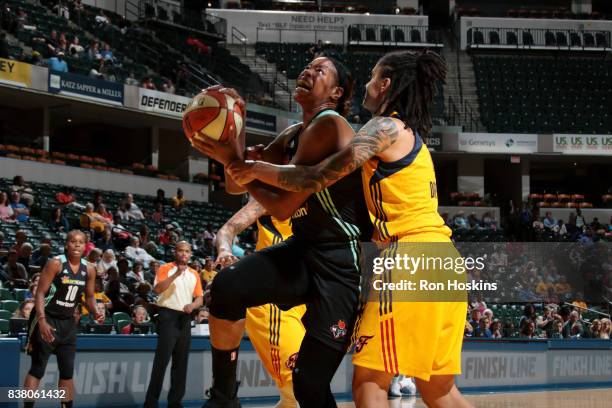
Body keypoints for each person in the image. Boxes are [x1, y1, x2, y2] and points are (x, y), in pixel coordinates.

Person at [227, 50, 472, 407]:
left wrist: (254, 169)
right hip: (445, 263)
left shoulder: (383, 127)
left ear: (385, 84)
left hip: (410, 258)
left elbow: (315, 176)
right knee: (438, 388)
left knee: (369, 382)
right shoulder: (412, 139)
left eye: (373, 78)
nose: (367, 87)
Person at [192, 57, 371, 407]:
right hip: (304, 250)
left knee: (307, 386)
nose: (307, 71)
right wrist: (233, 140)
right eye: (307, 66)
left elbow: (283, 207)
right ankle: (224, 398)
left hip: (343, 265)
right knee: (227, 287)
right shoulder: (292, 134)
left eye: (319, 70)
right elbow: (233, 184)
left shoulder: (330, 125)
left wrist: (242, 165)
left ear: (336, 92)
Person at [212, 195, 307, 407]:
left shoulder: (318, 189)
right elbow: (226, 231)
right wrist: (225, 250)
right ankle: (222, 397)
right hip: (273, 300)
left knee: (295, 395)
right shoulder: (270, 195)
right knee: (300, 386)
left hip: (306, 296)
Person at [23, 230, 103, 408]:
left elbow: (89, 296)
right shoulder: (56, 264)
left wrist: (96, 311)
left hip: (68, 323)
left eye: (81, 242)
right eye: (73, 241)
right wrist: (42, 320)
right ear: (67, 244)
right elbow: (40, 293)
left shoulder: (89, 269)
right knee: (37, 369)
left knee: (67, 373)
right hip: (46, 318)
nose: (76, 245)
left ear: (85, 246)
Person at [144, 241, 203, 408]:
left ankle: (175, 402)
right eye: (181, 251)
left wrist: (193, 305)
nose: (184, 254)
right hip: (167, 316)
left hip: (185, 317)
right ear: (175, 252)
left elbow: (199, 297)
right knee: (161, 362)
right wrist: (176, 274)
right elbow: (157, 290)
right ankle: (151, 403)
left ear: (190, 254)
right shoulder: (165, 268)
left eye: (187, 251)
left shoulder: (194, 274)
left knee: (181, 363)